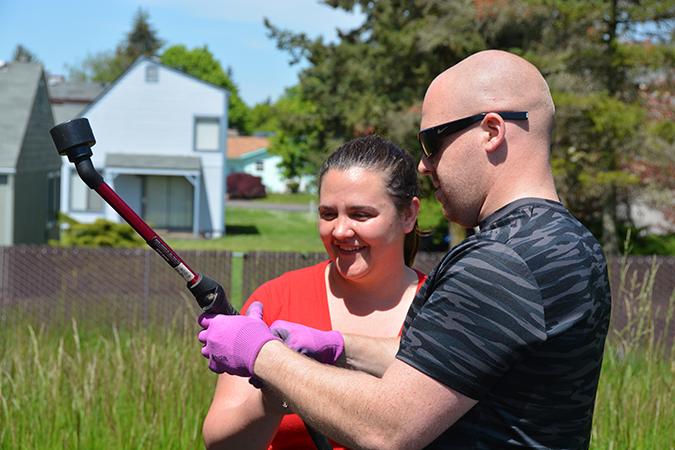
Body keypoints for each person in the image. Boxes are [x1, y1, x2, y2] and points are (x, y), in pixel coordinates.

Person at [198, 50, 612, 449]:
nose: (423, 165)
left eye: (432, 141)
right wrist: (341, 346)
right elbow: (450, 361)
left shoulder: (498, 262)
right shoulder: (573, 244)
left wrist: (261, 354)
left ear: (491, 131)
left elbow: (386, 429)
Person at [200, 134, 427, 449]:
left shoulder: (440, 306)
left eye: (361, 214)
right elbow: (221, 443)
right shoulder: (276, 299)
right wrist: (275, 392)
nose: (341, 231)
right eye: (328, 214)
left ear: (408, 215)